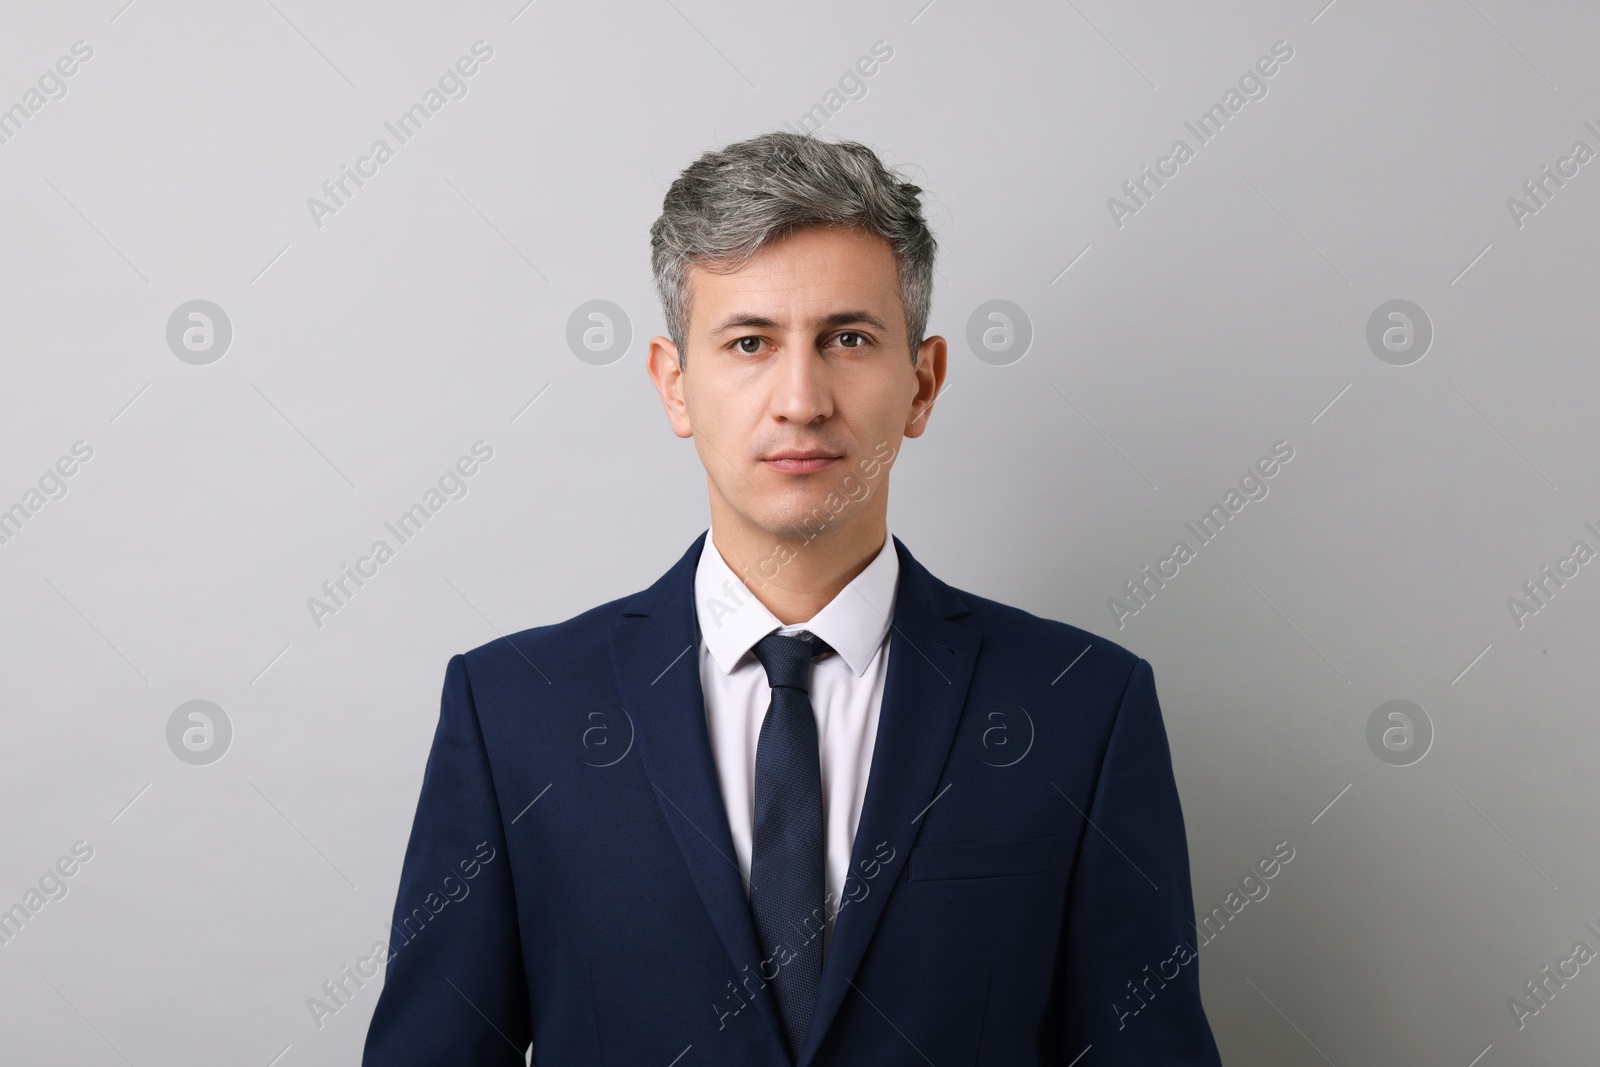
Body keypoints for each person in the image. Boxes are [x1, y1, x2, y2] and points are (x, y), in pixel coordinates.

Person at [362, 130, 1223, 1066]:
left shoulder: (1083, 708)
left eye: (848, 339)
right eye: (749, 342)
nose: (802, 398)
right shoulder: (513, 712)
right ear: (675, 384)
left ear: (923, 382)